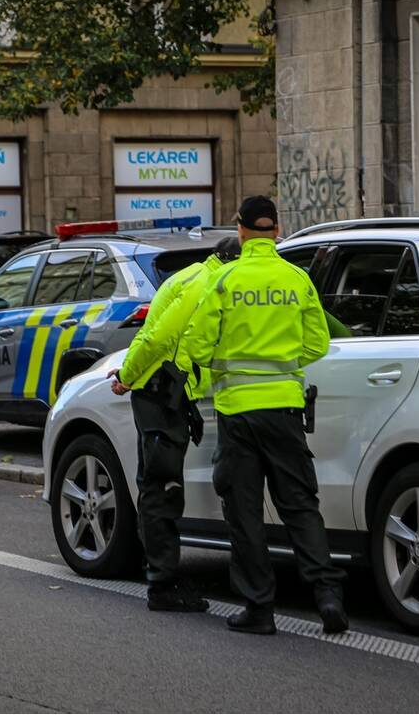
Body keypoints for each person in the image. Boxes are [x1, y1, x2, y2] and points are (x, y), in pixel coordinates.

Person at [177, 195, 349, 635]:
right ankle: (327, 596)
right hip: (286, 409)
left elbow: (195, 345)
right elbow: (319, 343)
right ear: (276, 230)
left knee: (245, 512)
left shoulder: (227, 280)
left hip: (238, 413)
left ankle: (259, 609)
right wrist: (284, 363)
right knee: (300, 505)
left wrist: (224, 364)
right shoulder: (297, 279)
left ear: (240, 229)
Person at [107, 236, 241, 612]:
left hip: (164, 393)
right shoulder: (204, 285)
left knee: (157, 485)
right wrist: (128, 376)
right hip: (159, 392)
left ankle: (158, 575)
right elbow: (156, 336)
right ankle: (162, 585)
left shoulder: (194, 276)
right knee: (162, 488)